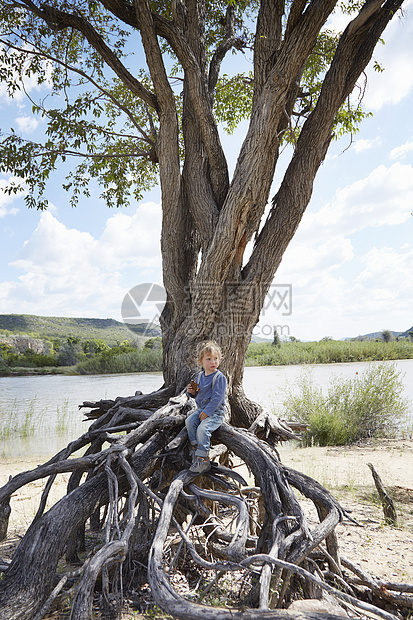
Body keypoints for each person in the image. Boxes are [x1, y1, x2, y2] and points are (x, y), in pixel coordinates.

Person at [185, 341, 227, 475]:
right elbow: (195, 394)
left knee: (202, 429)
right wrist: (190, 392)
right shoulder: (198, 377)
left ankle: (203, 460)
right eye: (208, 359)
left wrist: (207, 413)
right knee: (190, 421)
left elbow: (217, 398)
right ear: (201, 361)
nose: (213, 362)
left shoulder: (219, 377)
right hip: (201, 408)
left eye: (216, 358)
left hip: (215, 411)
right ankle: (197, 447)